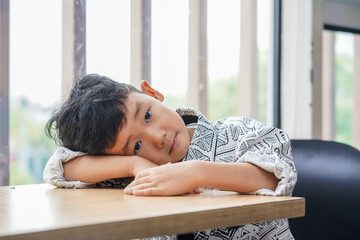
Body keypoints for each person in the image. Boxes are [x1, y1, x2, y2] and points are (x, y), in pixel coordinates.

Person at [43, 73, 297, 240]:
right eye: (136, 145)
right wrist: (134, 164)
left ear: (152, 93)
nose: (157, 137)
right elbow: (60, 167)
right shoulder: (134, 176)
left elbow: (274, 177)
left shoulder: (237, 132)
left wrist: (196, 172)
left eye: (147, 116)